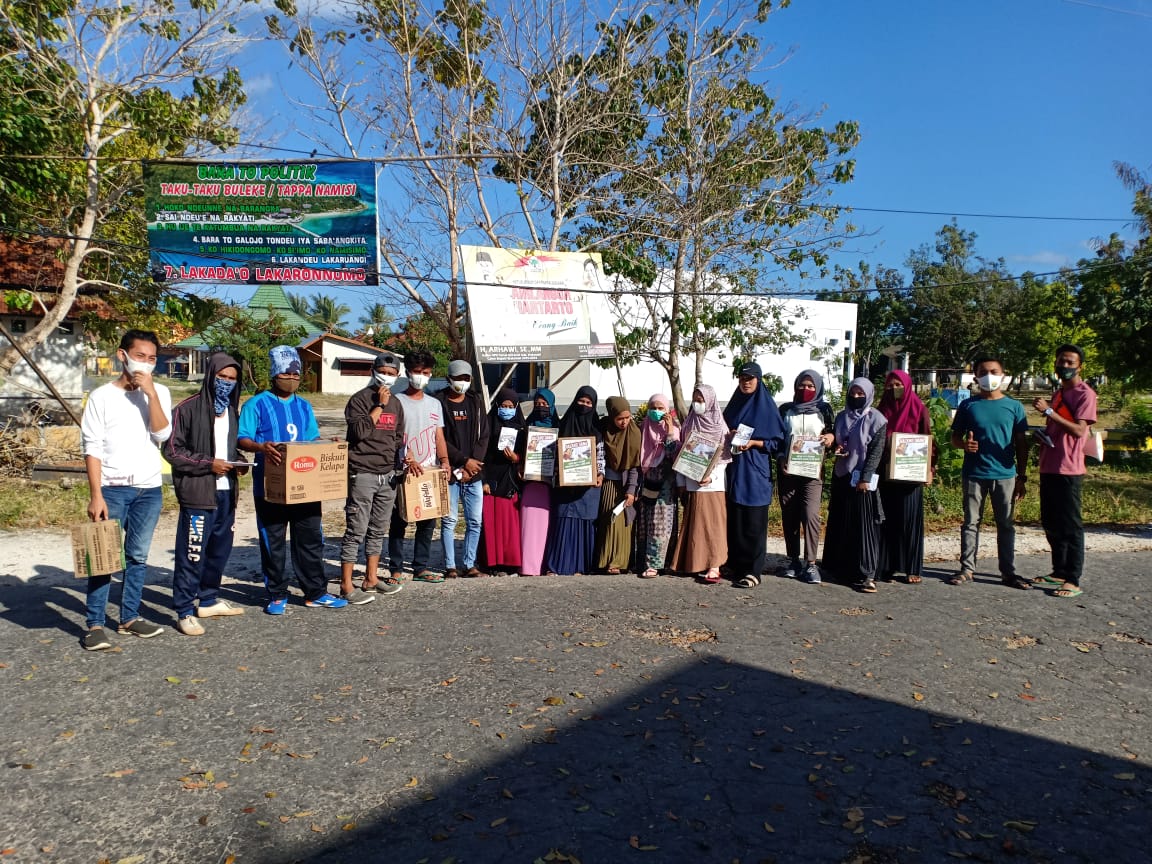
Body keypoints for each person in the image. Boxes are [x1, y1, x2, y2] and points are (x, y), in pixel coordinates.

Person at [79, 329, 172, 650]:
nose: (144, 365)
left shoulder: (158, 391)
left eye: (151, 359)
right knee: (102, 558)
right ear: (123, 356)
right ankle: (94, 623)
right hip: (112, 490)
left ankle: (129, 617)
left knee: (138, 557)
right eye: (139, 357)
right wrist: (96, 494)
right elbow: (91, 448)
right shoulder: (102, 397)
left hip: (149, 490)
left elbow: (163, 435)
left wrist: (152, 396)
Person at [237, 345, 348, 613]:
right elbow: (242, 438)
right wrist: (261, 447)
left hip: (305, 486)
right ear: (275, 374)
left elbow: (309, 441)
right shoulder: (256, 404)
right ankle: (276, 593)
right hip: (270, 487)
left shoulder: (304, 406)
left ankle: (315, 592)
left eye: (296, 373)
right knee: (273, 541)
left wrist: (327, 444)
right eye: (286, 372)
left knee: (310, 540)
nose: (292, 377)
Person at [163, 351, 248, 636]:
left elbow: (227, 449)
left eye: (232, 379)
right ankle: (184, 610)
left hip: (226, 494)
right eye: (222, 377)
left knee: (219, 552)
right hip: (199, 494)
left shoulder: (232, 412)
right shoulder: (187, 409)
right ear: (211, 375)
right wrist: (208, 465)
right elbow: (173, 451)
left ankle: (208, 599)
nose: (226, 382)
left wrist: (239, 462)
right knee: (193, 553)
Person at [948, 356, 1030, 589]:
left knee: (1006, 524)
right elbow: (955, 438)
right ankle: (967, 569)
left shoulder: (1014, 407)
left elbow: (1022, 444)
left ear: (1003, 375)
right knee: (971, 522)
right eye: (983, 372)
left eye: (994, 371)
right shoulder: (968, 405)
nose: (989, 376)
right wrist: (964, 445)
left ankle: (1008, 572)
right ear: (976, 377)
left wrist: (1022, 477)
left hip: (1005, 474)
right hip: (974, 473)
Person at [338, 352, 406, 603]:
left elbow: (398, 437)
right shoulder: (359, 400)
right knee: (356, 529)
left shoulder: (397, 404)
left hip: (387, 475)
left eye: (391, 374)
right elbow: (359, 431)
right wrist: (378, 405)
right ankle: (346, 585)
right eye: (383, 372)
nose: (386, 377)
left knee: (378, 530)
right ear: (373, 371)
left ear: (397, 376)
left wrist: (396, 463)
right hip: (362, 472)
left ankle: (371, 578)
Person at [1032, 344, 1097, 599]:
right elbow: (1057, 429)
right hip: (1049, 463)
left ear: (1080, 366)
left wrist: (1048, 411)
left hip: (1069, 467)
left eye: (1070, 362)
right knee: (1051, 521)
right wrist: (1043, 435)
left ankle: (1073, 578)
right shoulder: (1058, 393)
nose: (1065, 366)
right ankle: (1058, 570)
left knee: (1070, 525)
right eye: (1061, 361)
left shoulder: (1085, 394)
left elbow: (1080, 430)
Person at [388, 348, 451, 583]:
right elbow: (393, 435)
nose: (421, 376)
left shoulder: (435, 404)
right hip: (403, 471)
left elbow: (439, 436)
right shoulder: (396, 402)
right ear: (408, 373)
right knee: (399, 522)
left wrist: (444, 461)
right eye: (417, 371)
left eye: (426, 372)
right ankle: (395, 568)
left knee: (427, 523)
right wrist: (407, 458)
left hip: (429, 471)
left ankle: (420, 568)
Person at [723, 362, 786, 588]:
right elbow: (722, 428)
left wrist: (755, 442)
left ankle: (753, 571)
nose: (746, 382)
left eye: (750, 378)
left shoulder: (767, 408)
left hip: (756, 470)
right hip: (734, 468)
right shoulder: (734, 405)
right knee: (735, 518)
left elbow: (778, 442)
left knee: (754, 521)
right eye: (742, 378)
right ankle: (736, 565)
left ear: (759, 380)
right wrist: (729, 434)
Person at [824, 378, 887, 593]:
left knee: (864, 526)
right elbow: (838, 442)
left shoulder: (877, 419)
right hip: (843, 475)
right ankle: (842, 569)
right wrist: (837, 447)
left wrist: (866, 478)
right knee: (842, 523)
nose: (857, 397)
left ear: (869, 394)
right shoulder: (842, 417)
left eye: (861, 394)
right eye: (854, 393)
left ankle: (866, 573)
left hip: (862, 480)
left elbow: (876, 452)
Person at [775, 370, 835, 585]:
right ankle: (793, 561)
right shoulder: (786, 410)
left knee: (810, 515)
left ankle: (810, 564)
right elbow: (778, 439)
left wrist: (831, 437)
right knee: (789, 515)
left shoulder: (824, 410)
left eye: (810, 386)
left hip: (812, 473)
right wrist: (781, 457)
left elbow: (834, 436)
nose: (806, 389)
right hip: (788, 472)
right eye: (802, 385)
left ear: (818, 388)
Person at [876, 370, 932, 585]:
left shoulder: (919, 410)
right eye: (890, 385)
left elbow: (927, 440)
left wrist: (929, 469)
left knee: (909, 520)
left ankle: (911, 567)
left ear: (907, 385)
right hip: (885, 474)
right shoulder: (882, 411)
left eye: (898, 384)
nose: (893, 388)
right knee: (886, 519)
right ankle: (887, 566)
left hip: (911, 473)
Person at [437, 360, 490, 578]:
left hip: (474, 472)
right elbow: (438, 437)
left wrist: (473, 464)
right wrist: (462, 461)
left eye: (466, 378)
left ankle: (470, 564)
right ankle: (450, 566)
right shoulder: (438, 402)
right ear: (449, 378)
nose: (462, 382)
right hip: (450, 470)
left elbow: (484, 435)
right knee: (449, 520)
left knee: (474, 520)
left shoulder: (475, 401)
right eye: (458, 378)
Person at [670, 385, 729, 582]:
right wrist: (681, 482)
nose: (698, 404)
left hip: (712, 486)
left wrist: (711, 478)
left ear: (711, 401)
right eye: (695, 399)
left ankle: (714, 565)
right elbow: (681, 454)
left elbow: (724, 461)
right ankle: (694, 563)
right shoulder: (689, 424)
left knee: (713, 526)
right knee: (695, 526)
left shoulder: (721, 427)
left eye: (702, 400)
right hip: (691, 483)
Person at [546, 386, 603, 576]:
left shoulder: (597, 431)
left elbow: (601, 456)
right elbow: (554, 453)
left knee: (584, 524)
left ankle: (581, 567)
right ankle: (556, 566)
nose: (584, 406)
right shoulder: (563, 427)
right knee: (563, 522)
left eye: (588, 403)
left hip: (588, 489)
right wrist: (556, 469)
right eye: (581, 401)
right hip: (564, 487)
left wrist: (599, 474)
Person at [633, 393, 681, 579]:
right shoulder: (643, 428)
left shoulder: (674, 429)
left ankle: (658, 563)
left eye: (661, 408)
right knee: (646, 523)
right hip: (647, 480)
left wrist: (669, 429)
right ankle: (643, 562)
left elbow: (673, 453)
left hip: (666, 484)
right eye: (653, 407)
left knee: (661, 523)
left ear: (668, 410)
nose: (656, 411)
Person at [480, 387, 525, 575]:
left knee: (509, 526)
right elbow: (480, 454)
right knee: (491, 524)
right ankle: (490, 563)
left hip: (510, 482)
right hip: (490, 481)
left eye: (510, 406)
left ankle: (509, 562)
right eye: (503, 406)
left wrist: (517, 458)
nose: (506, 409)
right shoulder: (487, 426)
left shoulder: (523, 428)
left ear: (516, 407)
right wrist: (482, 480)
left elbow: (528, 454)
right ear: (497, 406)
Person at [595, 396, 641, 574]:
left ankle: (619, 562)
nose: (624, 422)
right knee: (608, 521)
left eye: (627, 417)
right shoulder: (604, 429)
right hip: (608, 483)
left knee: (623, 524)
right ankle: (605, 561)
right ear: (612, 416)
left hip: (625, 486)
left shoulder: (634, 433)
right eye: (620, 418)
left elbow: (634, 466)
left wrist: (631, 490)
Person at [518, 388, 558, 576]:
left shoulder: (560, 427)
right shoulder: (527, 426)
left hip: (549, 486)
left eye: (545, 404)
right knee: (528, 524)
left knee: (546, 525)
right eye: (537, 404)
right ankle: (527, 565)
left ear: (551, 405)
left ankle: (543, 564)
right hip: (530, 484)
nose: (541, 407)